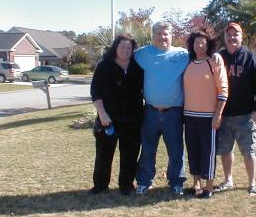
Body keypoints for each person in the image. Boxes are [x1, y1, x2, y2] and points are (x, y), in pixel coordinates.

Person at [134, 21, 189, 196]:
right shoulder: (142, 54)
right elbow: (121, 57)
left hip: (173, 113)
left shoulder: (183, 55)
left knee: (176, 150)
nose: (162, 37)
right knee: (148, 149)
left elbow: (205, 58)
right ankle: (144, 182)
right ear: (153, 36)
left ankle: (176, 182)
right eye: (158, 34)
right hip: (150, 112)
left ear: (171, 35)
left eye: (165, 34)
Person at [216, 22, 256, 196]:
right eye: (229, 34)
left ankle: (252, 183)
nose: (232, 38)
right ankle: (228, 180)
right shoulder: (218, 58)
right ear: (224, 37)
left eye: (235, 34)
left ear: (241, 37)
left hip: (246, 115)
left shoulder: (252, 58)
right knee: (225, 150)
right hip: (224, 115)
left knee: (249, 150)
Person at [90, 33, 144, 195]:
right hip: (108, 119)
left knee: (130, 155)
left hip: (133, 119)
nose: (126, 50)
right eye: (122, 47)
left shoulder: (138, 66)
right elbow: (95, 92)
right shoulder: (104, 65)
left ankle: (126, 185)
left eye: (129, 47)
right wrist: (102, 114)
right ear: (115, 47)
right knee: (104, 154)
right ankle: (100, 185)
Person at [183, 27, 228, 199]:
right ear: (192, 44)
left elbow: (223, 89)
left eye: (203, 43)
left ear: (208, 44)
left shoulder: (214, 61)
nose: (200, 46)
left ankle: (208, 187)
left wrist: (218, 114)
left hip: (209, 117)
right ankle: (196, 184)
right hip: (189, 115)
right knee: (193, 150)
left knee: (207, 152)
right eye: (196, 42)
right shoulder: (188, 63)